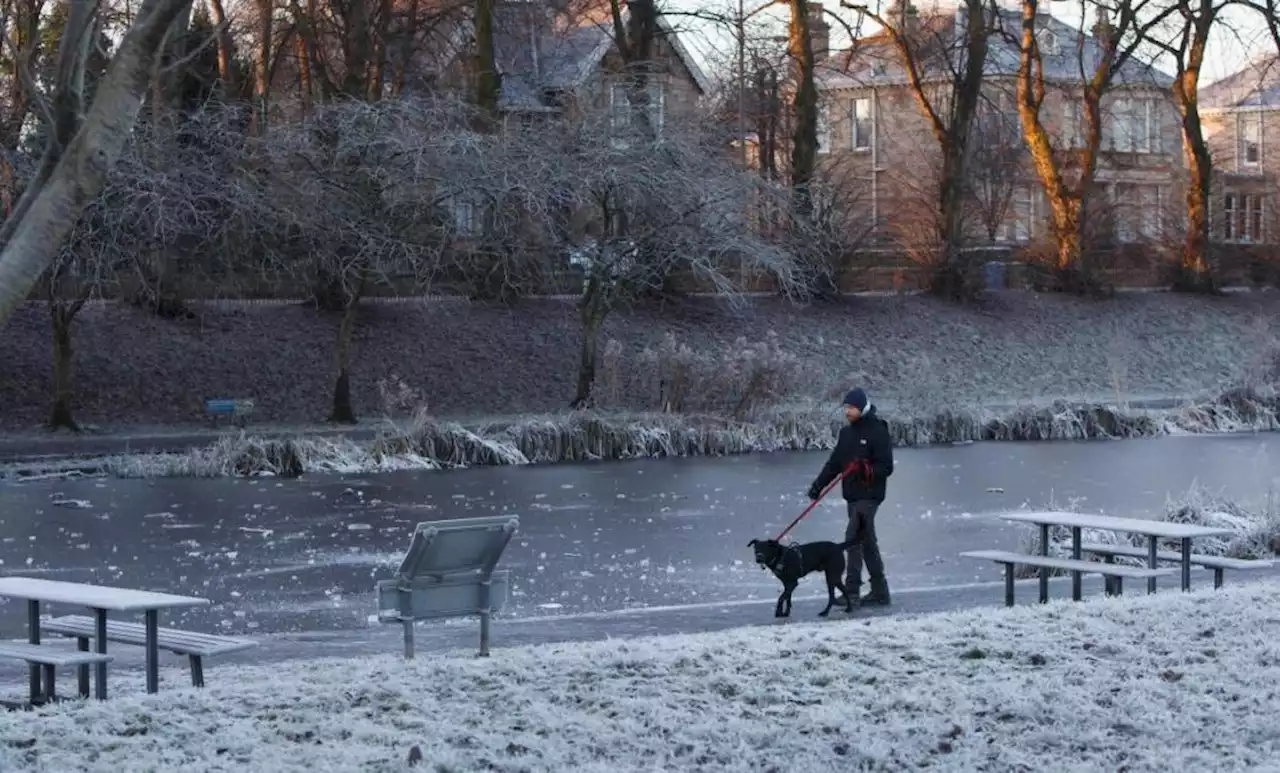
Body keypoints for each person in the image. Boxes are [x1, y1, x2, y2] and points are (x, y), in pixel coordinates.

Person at [807, 387, 894, 608]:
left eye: (852, 408)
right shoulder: (846, 434)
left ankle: (851, 591)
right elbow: (835, 463)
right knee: (867, 544)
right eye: (846, 408)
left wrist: (866, 469)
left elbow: (886, 466)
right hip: (853, 496)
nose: (848, 412)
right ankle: (880, 591)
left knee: (853, 538)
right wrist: (818, 486)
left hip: (870, 496)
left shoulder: (878, 431)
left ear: (863, 407)